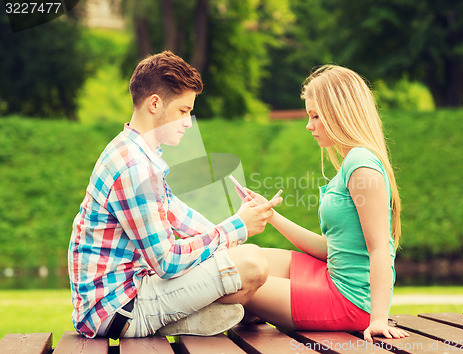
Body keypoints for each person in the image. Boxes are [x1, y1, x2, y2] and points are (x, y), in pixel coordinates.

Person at [68, 51, 282, 339]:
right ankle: (183, 319)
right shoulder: (135, 168)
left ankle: (199, 316)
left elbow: (180, 216)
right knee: (252, 265)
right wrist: (236, 228)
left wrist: (239, 224)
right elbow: (167, 262)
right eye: (183, 111)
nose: (188, 122)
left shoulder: (139, 153)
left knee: (249, 260)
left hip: (131, 291)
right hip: (119, 308)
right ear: (154, 104)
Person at [242, 65, 410, 342]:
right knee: (245, 259)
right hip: (330, 275)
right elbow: (330, 248)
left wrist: (378, 319)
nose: (309, 125)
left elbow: (380, 248)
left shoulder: (361, 165)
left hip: (348, 300)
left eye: (316, 116)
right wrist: (272, 216)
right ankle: (249, 310)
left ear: (340, 113)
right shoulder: (351, 163)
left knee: (232, 281)